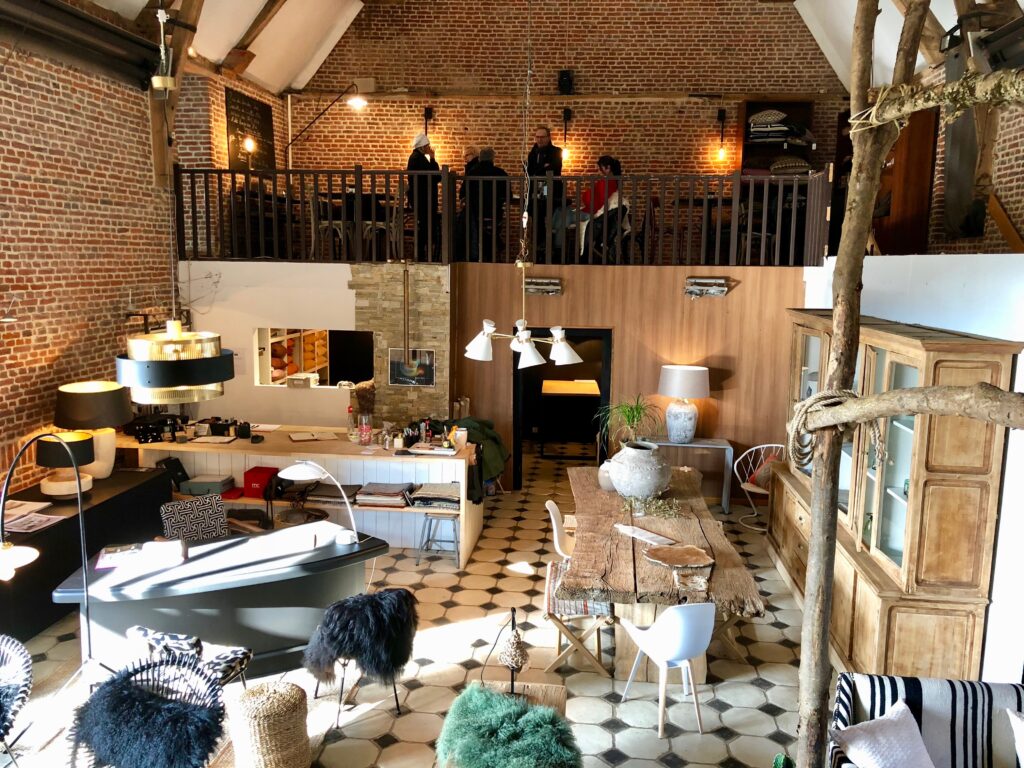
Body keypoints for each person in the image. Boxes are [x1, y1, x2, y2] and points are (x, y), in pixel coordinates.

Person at [553, 155, 621, 250]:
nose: (600, 170)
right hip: (591, 210)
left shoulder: (607, 182)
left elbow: (598, 201)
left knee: (565, 215)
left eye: (601, 168)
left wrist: (587, 196)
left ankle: (557, 246)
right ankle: (554, 235)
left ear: (608, 168)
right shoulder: (611, 181)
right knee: (562, 211)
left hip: (591, 212)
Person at [463, 147, 509, 261]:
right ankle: (494, 252)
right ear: (492, 158)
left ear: (480, 158)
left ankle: (482, 255)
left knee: (479, 234)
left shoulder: (472, 173)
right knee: (492, 233)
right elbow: (507, 194)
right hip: (494, 213)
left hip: (475, 213)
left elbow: (463, 192)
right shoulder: (500, 173)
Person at [526, 126, 563, 253]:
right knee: (536, 213)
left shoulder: (556, 151)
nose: (539, 140)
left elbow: (554, 168)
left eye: (542, 137)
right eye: (537, 137)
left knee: (545, 212)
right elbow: (529, 171)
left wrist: (539, 169)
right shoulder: (533, 153)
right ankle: (539, 244)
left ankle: (548, 246)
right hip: (535, 189)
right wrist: (543, 167)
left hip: (549, 188)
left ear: (548, 137)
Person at [406, 133, 440, 260]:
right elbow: (436, 176)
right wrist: (433, 158)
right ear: (422, 147)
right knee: (425, 227)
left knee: (425, 226)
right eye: (427, 146)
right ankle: (420, 255)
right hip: (423, 199)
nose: (429, 148)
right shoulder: (418, 159)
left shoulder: (415, 158)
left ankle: (421, 254)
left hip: (422, 199)